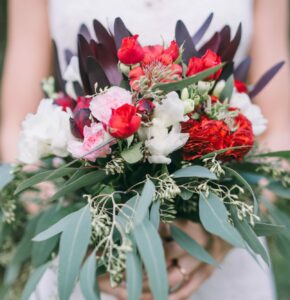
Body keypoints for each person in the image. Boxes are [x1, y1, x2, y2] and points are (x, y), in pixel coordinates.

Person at [1, 0, 289, 299]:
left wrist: (220, 235)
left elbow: (280, 128)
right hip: (87, 249)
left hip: (218, 261)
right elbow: (17, 128)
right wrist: (81, 234)